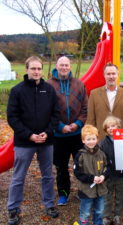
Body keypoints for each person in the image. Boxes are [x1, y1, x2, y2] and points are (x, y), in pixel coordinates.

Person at [7, 56, 60, 225]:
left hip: (46, 140)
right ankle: (13, 209)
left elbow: (55, 114)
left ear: (42, 70)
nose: (36, 72)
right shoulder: (17, 91)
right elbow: (12, 118)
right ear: (27, 69)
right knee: (18, 176)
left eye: (39, 69)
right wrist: (29, 135)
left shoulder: (50, 90)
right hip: (24, 141)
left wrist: (47, 132)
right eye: (33, 69)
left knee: (47, 175)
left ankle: (49, 204)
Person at [48, 56, 88, 205]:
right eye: (61, 65)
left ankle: (83, 191)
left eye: (66, 65)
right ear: (56, 67)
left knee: (81, 164)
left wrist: (77, 124)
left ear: (70, 67)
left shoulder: (79, 84)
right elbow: (47, 111)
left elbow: (85, 108)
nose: (64, 67)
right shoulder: (49, 85)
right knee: (61, 166)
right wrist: (60, 126)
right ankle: (63, 194)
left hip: (77, 134)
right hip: (58, 135)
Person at [87, 63, 123, 140]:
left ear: (118, 75)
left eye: (113, 74)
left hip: (121, 138)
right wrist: (91, 137)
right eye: (108, 74)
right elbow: (90, 119)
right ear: (104, 75)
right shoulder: (94, 94)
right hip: (101, 138)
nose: (111, 76)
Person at [74, 125, 109, 225]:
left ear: (97, 139)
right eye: (88, 139)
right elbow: (77, 173)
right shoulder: (80, 155)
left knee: (100, 211)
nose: (91, 141)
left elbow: (108, 167)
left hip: (101, 190)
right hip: (86, 191)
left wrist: (103, 176)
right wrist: (91, 178)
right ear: (83, 140)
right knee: (85, 213)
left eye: (93, 139)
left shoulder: (102, 153)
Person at [100, 116, 123, 225]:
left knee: (120, 197)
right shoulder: (102, 143)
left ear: (119, 127)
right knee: (107, 196)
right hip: (108, 175)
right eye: (108, 127)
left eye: (113, 126)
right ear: (105, 129)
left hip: (121, 175)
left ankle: (117, 215)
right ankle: (106, 216)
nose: (111, 128)